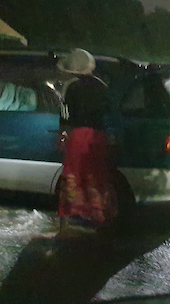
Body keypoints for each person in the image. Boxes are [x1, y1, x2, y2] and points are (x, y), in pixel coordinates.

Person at [56, 48, 118, 238]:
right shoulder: (103, 86)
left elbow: (65, 117)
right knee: (96, 177)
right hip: (99, 137)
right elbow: (110, 115)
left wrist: (62, 136)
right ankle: (98, 218)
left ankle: (68, 219)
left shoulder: (70, 87)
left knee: (73, 175)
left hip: (78, 136)